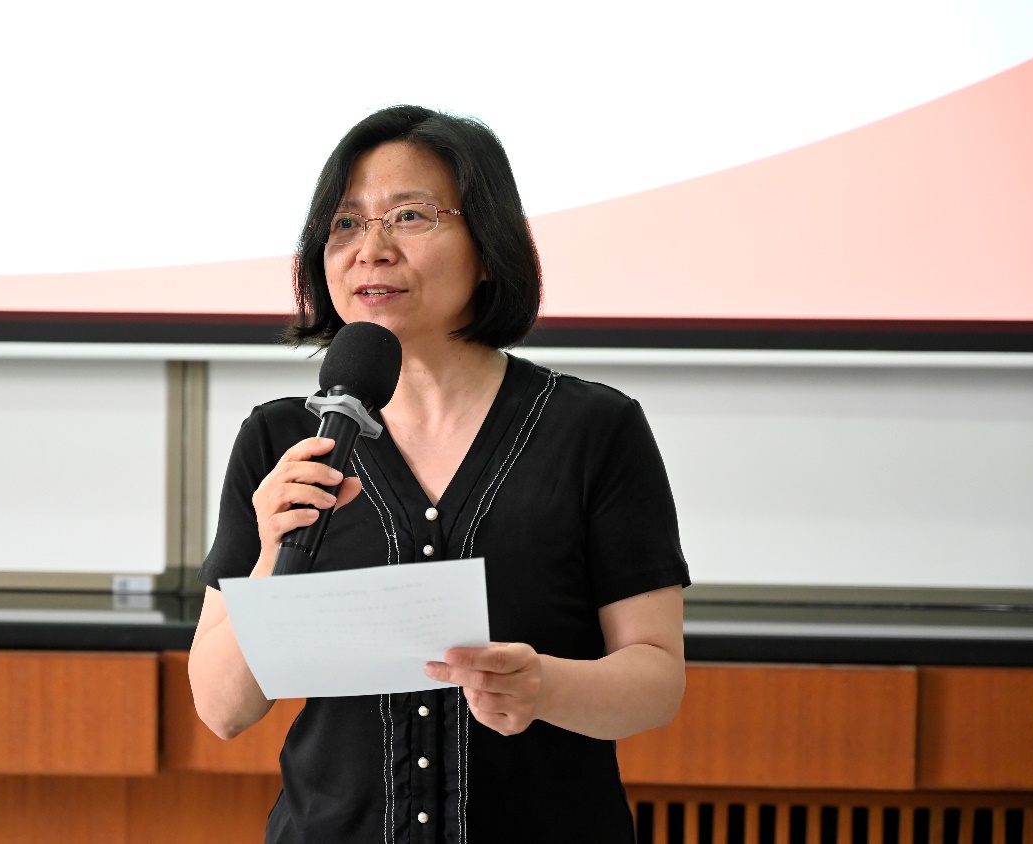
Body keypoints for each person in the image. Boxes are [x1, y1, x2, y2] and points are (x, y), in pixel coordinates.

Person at [189, 105, 690, 844]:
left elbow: (656, 681)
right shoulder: (281, 438)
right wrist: (269, 556)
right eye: (345, 224)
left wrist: (546, 686)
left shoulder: (593, 429)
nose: (372, 250)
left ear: (488, 247)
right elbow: (224, 709)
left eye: (410, 216)